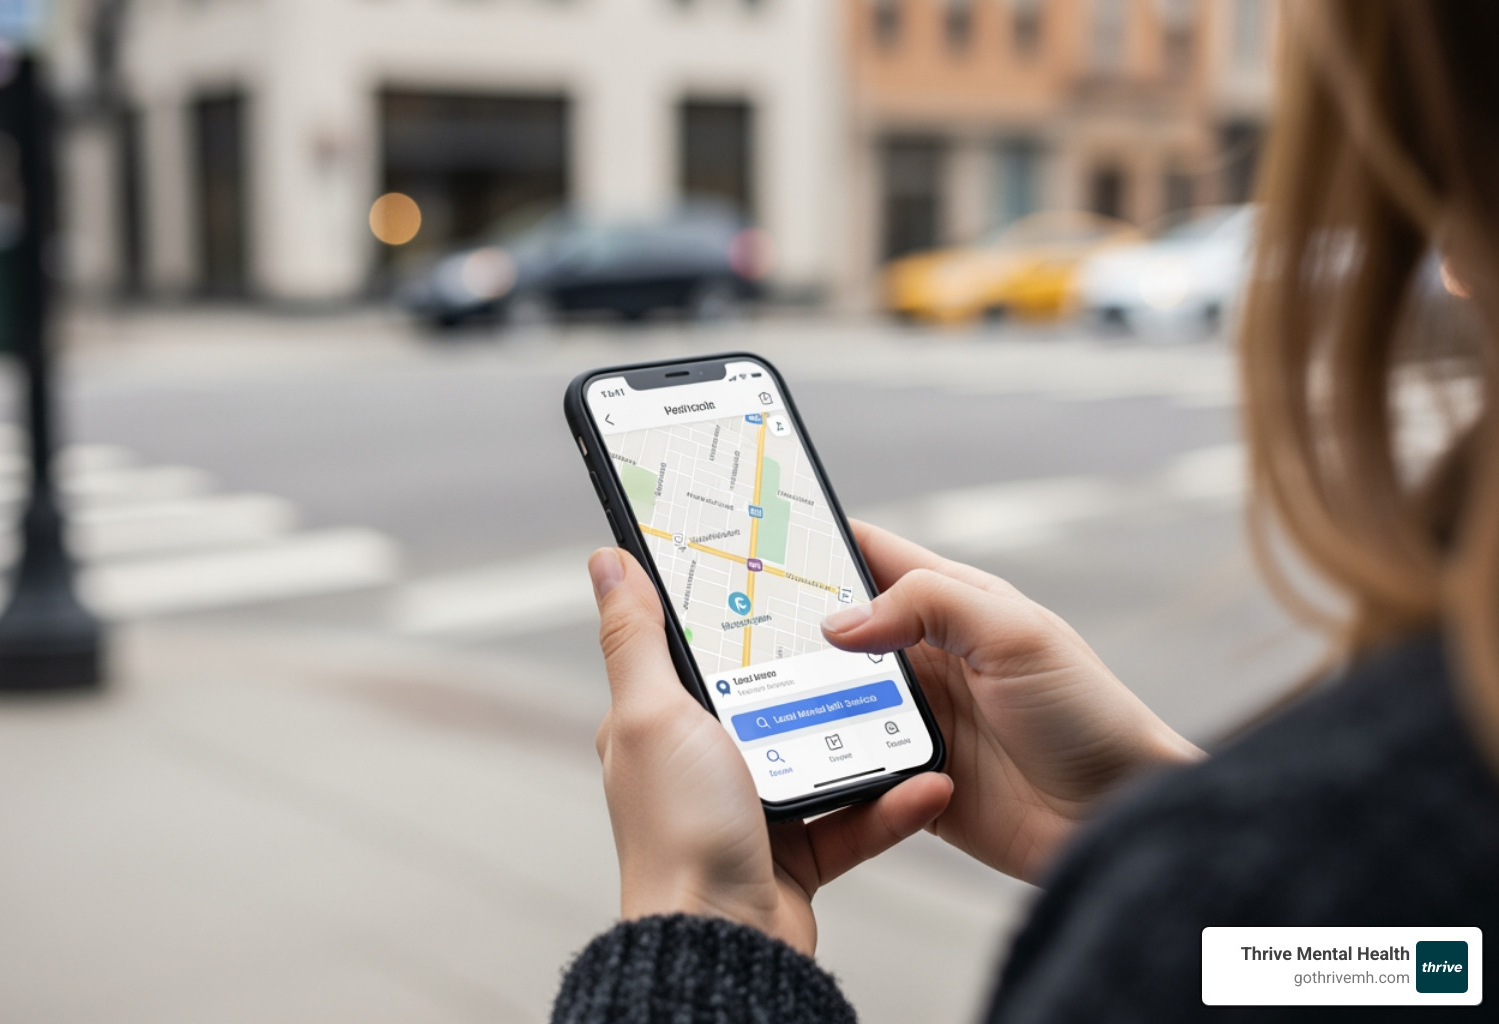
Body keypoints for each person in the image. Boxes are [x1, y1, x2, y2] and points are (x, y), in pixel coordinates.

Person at [552, 3, 1499, 1021]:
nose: (1448, 261)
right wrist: (1147, 818)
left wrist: (700, 930)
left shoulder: (1225, 897)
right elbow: (1432, 966)